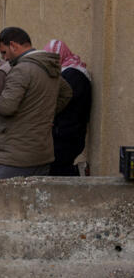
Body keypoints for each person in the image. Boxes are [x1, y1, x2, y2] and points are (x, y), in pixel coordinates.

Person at [0, 27, 72, 179]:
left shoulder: (21, 70)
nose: (4, 58)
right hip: (42, 155)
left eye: (4, 52)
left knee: (3, 202)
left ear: (13, 45)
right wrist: (43, 114)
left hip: (15, 157)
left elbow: (6, 106)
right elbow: (66, 93)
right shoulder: (47, 67)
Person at [44, 40, 92, 176]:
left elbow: (64, 102)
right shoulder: (71, 72)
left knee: (56, 171)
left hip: (67, 134)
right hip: (68, 132)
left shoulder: (72, 75)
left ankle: (79, 173)